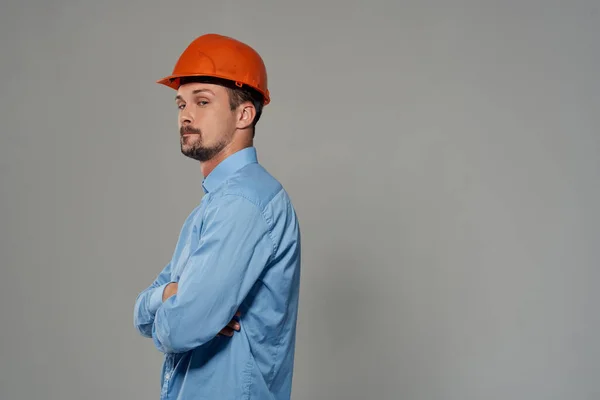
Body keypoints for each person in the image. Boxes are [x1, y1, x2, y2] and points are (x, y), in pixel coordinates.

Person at [133, 33, 301, 400]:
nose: (186, 115)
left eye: (203, 101)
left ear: (244, 113)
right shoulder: (210, 208)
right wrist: (170, 296)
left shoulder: (245, 203)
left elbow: (180, 327)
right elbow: (142, 312)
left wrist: (177, 305)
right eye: (181, 104)